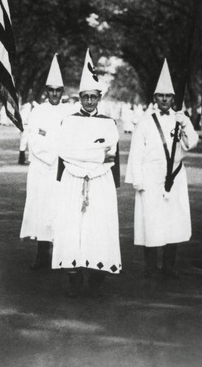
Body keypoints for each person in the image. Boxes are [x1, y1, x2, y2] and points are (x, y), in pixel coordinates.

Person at [52, 49, 121, 298]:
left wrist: (84, 154)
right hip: (73, 180)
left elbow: (111, 153)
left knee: (97, 226)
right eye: (85, 97)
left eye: (93, 97)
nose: (89, 102)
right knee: (73, 226)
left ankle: (96, 272)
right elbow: (64, 151)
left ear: (99, 97)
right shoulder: (68, 121)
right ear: (79, 97)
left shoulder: (108, 123)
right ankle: (73, 273)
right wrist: (96, 154)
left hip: (100, 182)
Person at [126, 60, 199, 279]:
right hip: (151, 176)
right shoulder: (146, 122)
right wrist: (138, 180)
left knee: (172, 220)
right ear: (155, 99)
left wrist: (186, 123)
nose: (165, 100)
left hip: (175, 176)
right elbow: (137, 152)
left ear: (174, 99)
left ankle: (169, 265)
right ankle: (150, 266)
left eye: (169, 96)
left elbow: (191, 143)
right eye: (161, 96)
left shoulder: (179, 119)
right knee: (151, 220)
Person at [20, 53, 70, 270]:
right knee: (41, 210)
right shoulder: (38, 111)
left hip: (62, 169)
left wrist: (58, 150)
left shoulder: (70, 112)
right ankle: (42, 255)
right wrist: (53, 151)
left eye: (59, 91)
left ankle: (59, 255)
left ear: (63, 92)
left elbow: (70, 140)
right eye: (52, 90)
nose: (55, 94)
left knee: (59, 210)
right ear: (46, 91)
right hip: (42, 168)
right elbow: (35, 140)